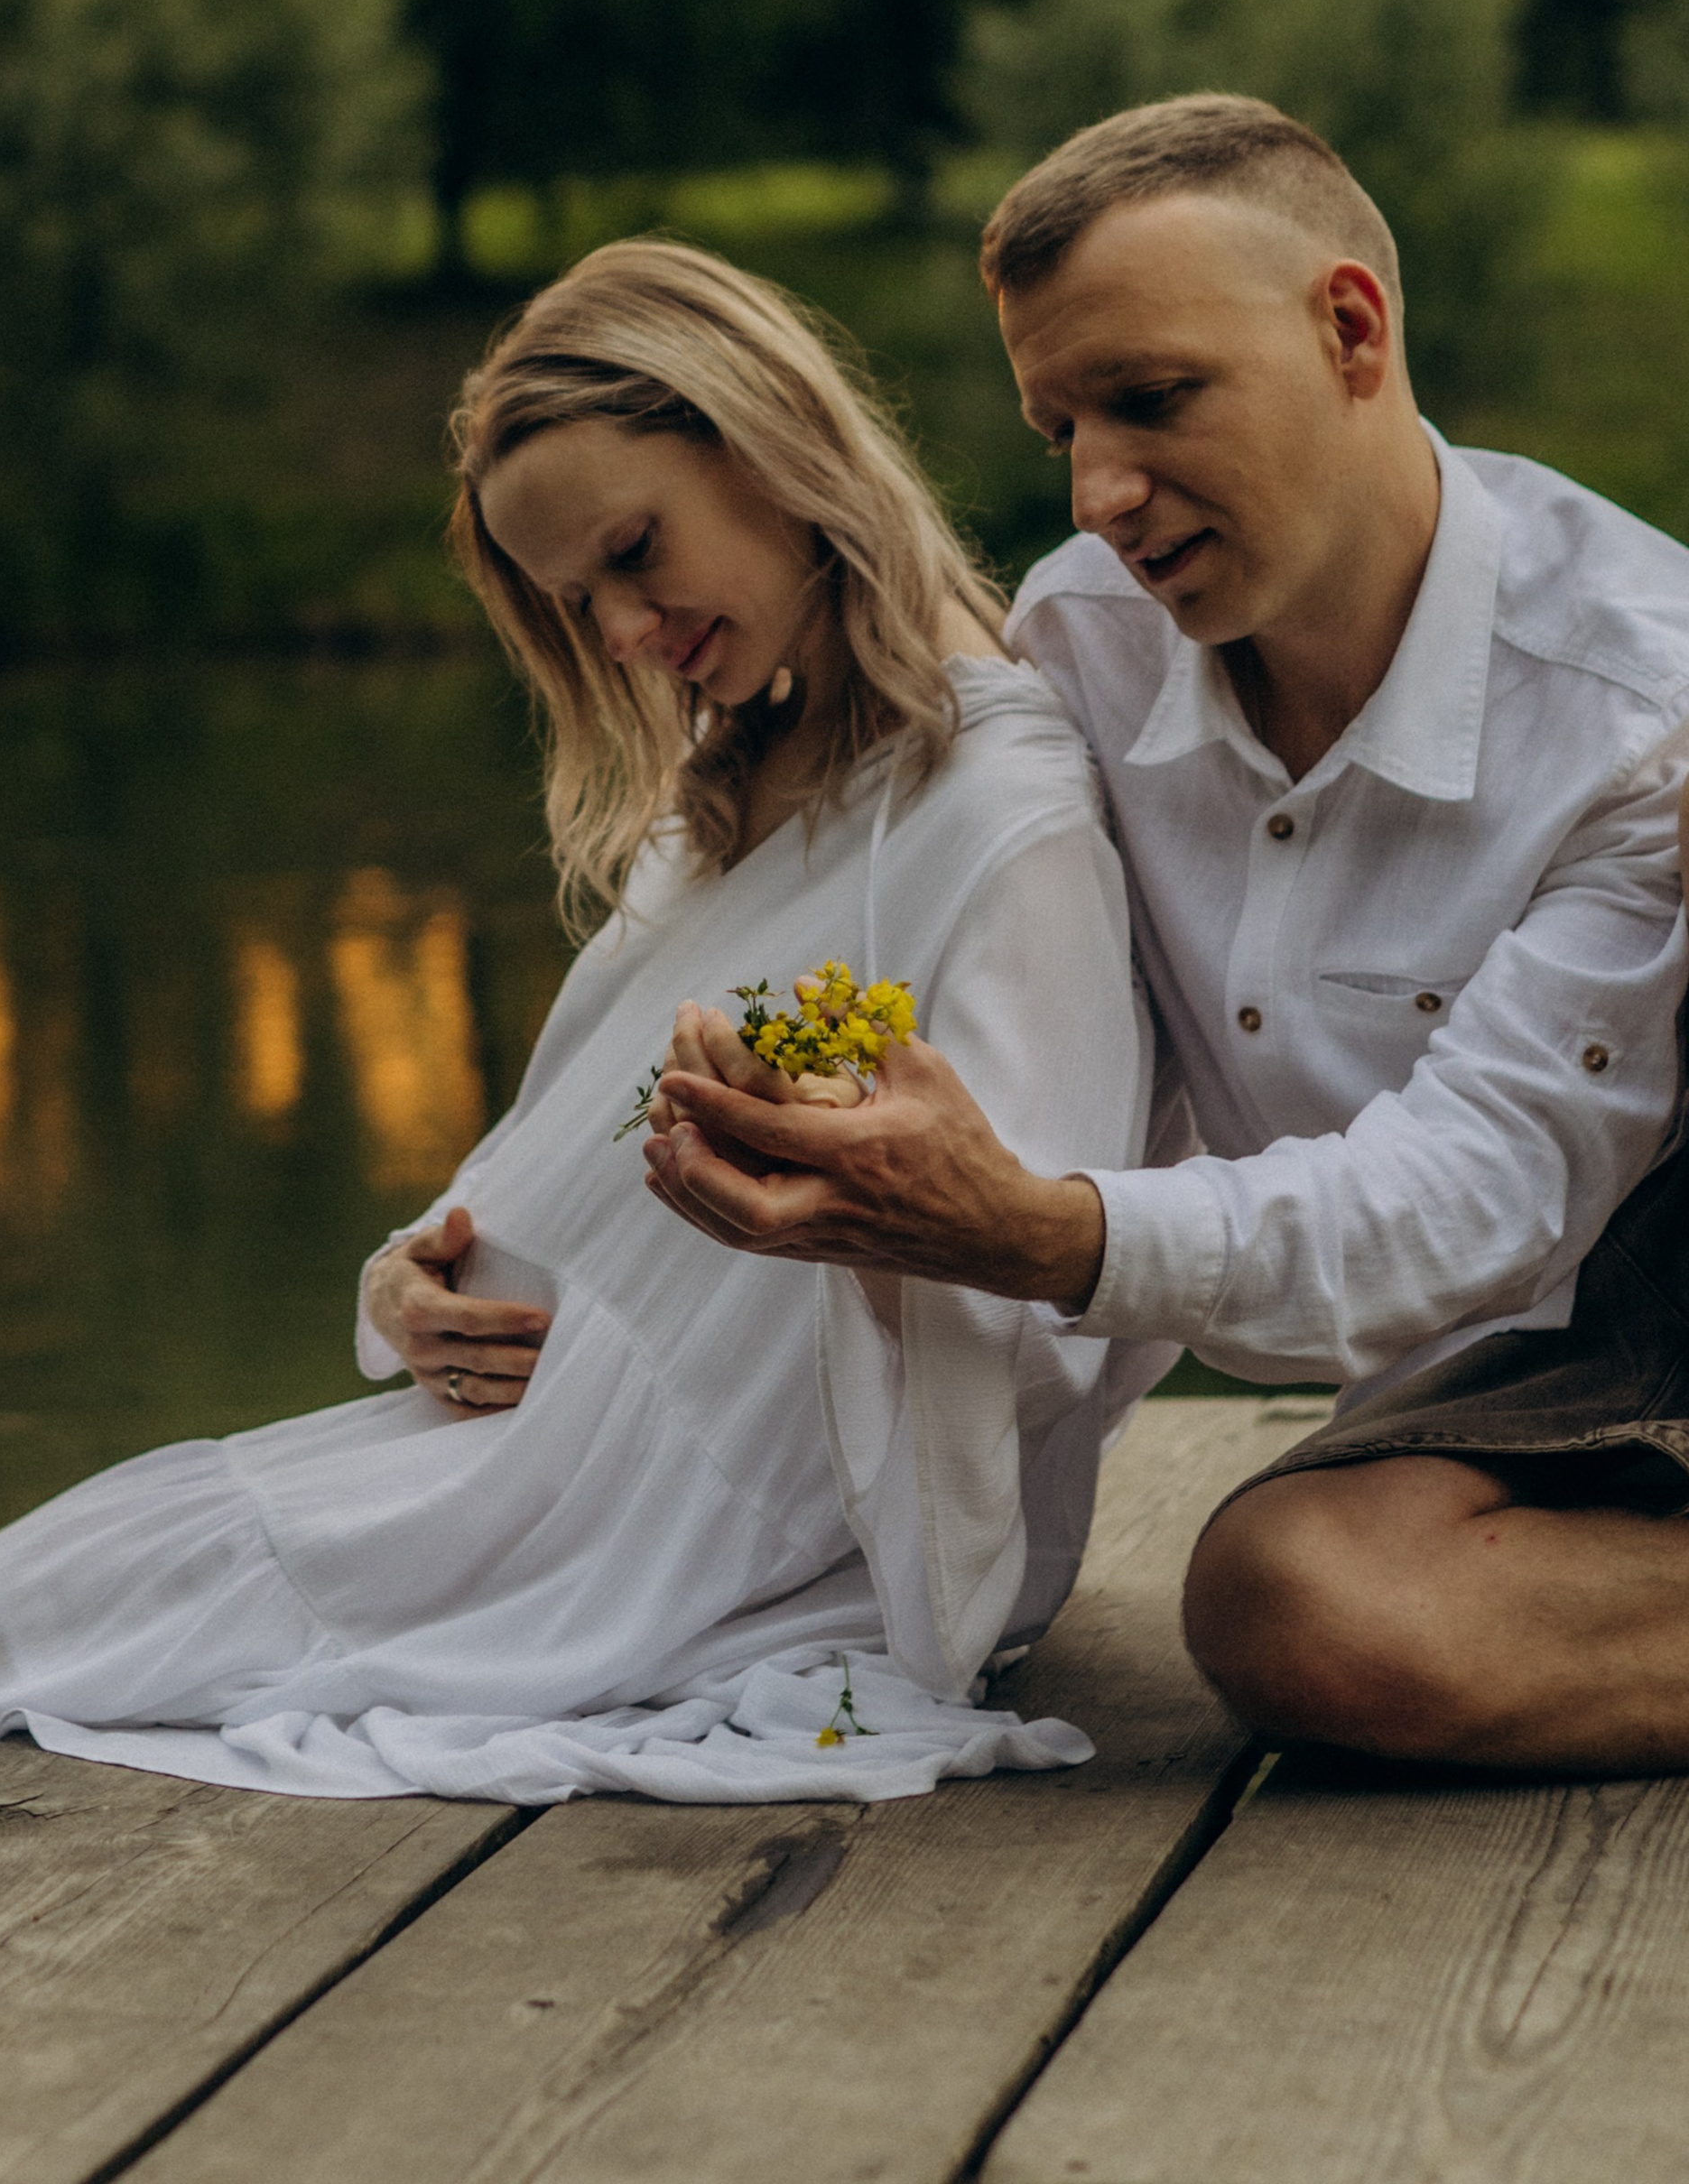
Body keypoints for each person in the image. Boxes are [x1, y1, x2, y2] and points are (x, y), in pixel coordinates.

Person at [0, 239, 1159, 1806]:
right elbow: (550, 1153)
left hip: (680, 1527)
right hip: (507, 1466)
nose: (626, 633)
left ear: (772, 444)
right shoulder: (737, 786)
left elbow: (1033, 1301)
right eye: (579, 602)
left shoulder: (1000, 817)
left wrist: (825, 1181)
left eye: (634, 552)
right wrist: (405, 1283)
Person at [645, 95, 1689, 1776]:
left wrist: (1037, 1232)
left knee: (1289, 1603)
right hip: (1508, 1382)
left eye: (1150, 400)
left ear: (1350, 331)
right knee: (1304, 1597)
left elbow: (1477, 1203)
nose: (1100, 492)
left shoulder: (1638, 709)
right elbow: (794, 876)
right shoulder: (1083, 644)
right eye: (1060, 425)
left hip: (1629, 1291)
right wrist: (500, 1236)